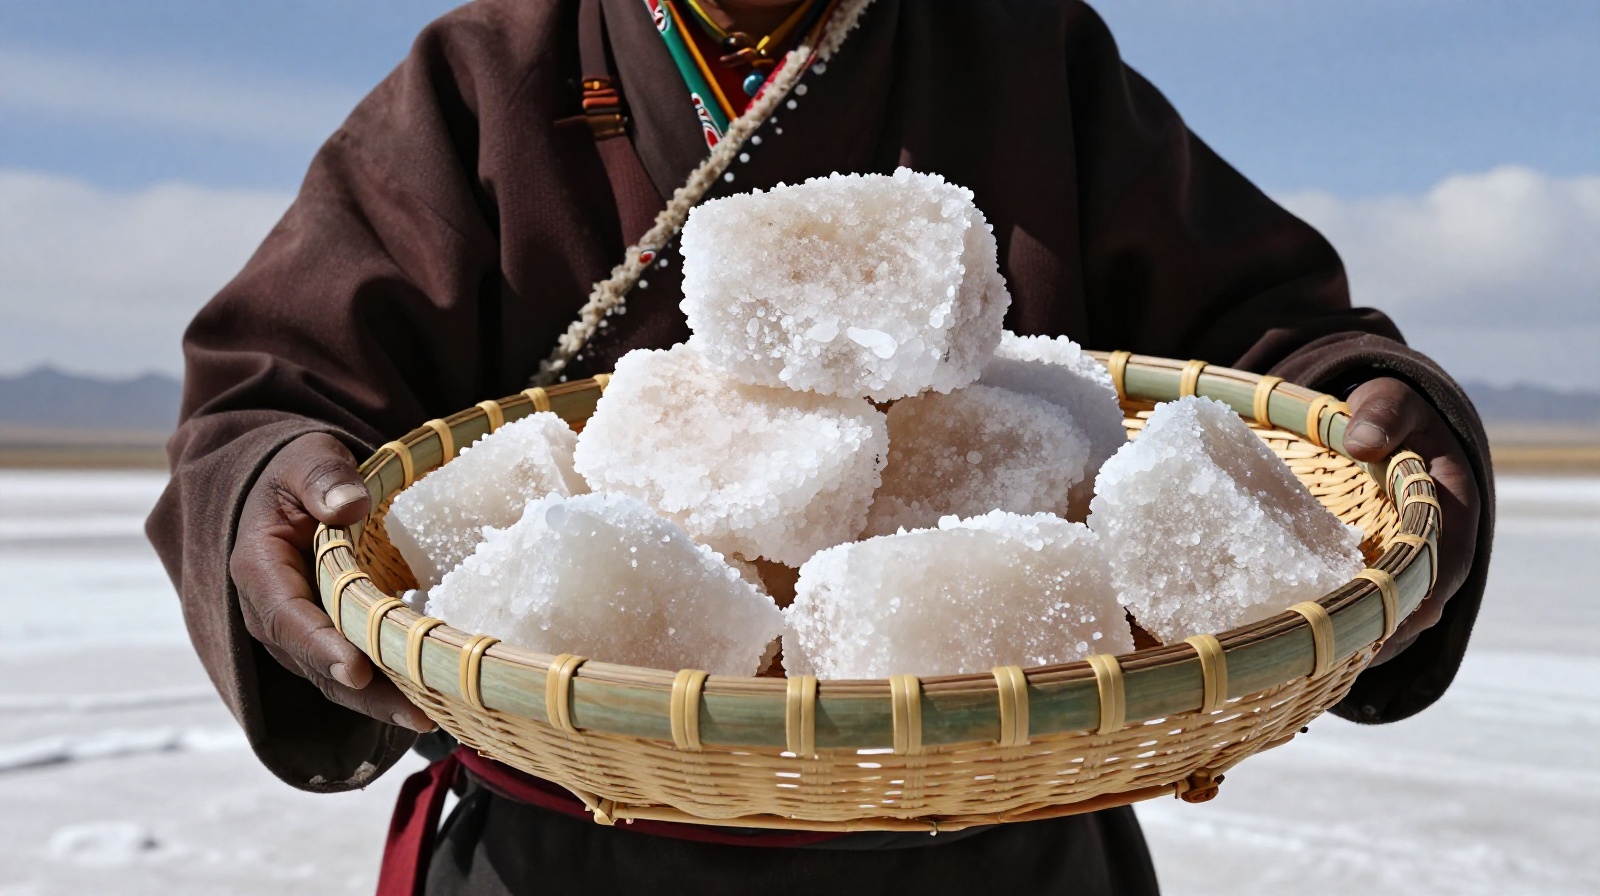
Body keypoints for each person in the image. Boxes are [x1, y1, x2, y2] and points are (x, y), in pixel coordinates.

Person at [146, 0, 1492, 893]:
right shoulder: (487, 72)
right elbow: (272, 398)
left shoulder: (1019, 48)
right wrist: (265, 491)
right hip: (577, 848)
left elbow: (1267, 345)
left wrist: (1369, 398)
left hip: (1000, 841)